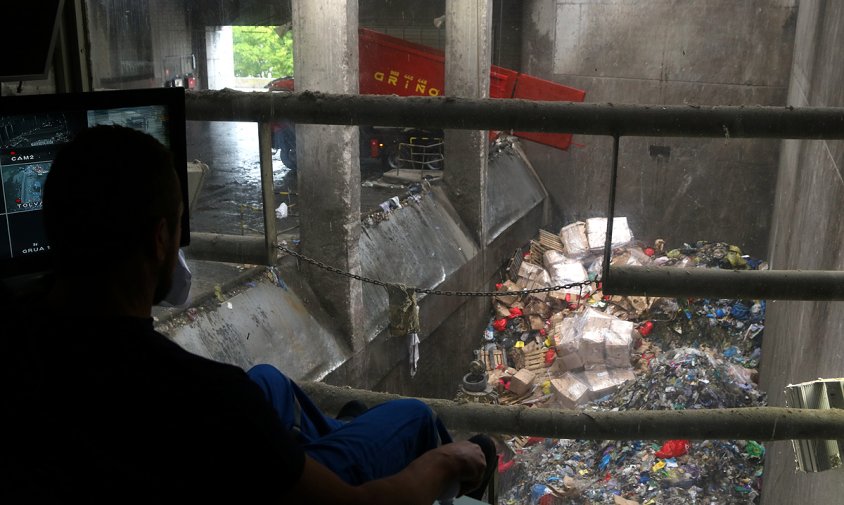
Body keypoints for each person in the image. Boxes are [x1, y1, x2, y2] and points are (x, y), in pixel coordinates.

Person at [2, 125, 493, 503]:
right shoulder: (202, 398)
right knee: (411, 414)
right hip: (280, 480)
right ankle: (464, 468)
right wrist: (445, 463)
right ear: (159, 240)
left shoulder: (24, 344)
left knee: (267, 380)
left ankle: (343, 429)